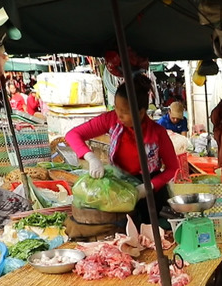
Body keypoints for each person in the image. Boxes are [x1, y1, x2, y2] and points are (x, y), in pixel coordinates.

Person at [65, 74, 178, 225]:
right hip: (118, 190)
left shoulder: (157, 133)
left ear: (141, 112)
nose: (118, 114)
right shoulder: (111, 119)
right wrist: (90, 157)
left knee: (151, 236)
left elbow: (173, 168)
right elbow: (73, 135)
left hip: (150, 194)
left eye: (124, 111)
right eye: (116, 108)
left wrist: (148, 187)